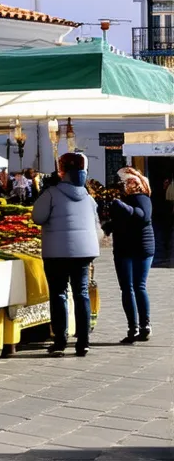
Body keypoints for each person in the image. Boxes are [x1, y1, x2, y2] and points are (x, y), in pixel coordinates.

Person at [32, 153, 99, 357]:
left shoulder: (51, 193)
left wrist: (45, 192)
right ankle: (84, 341)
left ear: (62, 172)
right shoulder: (88, 197)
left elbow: (37, 216)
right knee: (81, 294)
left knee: (59, 293)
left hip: (56, 253)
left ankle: (60, 340)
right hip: (84, 252)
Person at [103, 167, 154, 343]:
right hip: (124, 247)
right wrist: (109, 225)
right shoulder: (123, 199)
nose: (127, 184)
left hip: (141, 247)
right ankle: (132, 327)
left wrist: (122, 206)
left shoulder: (142, 198)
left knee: (138, 286)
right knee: (127, 288)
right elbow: (122, 221)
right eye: (125, 182)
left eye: (130, 181)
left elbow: (142, 216)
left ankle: (144, 325)